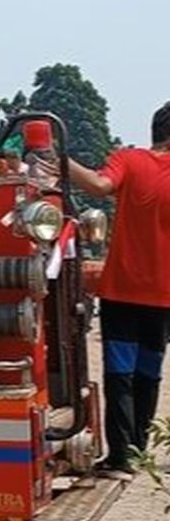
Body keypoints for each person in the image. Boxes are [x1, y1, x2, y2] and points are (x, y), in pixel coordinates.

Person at [55, 102, 170, 480]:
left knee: (120, 373)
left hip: (122, 290)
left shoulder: (130, 160)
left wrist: (57, 157)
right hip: (164, 297)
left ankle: (120, 458)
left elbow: (99, 185)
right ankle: (136, 453)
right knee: (148, 374)